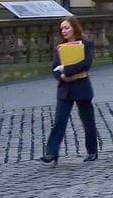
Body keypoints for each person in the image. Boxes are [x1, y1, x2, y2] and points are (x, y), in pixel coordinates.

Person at [39, 17, 99, 163]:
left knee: (87, 121)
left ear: (74, 28)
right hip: (65, 89)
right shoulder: (60, 47)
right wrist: (62, 76)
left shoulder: (86, 45)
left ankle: (92, 151)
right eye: (62, 29)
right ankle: (52, 153)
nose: (64, 31)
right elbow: (54, 68)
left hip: (81, 87)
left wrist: (67, 71)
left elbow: (86, 64)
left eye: (66, 28)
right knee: (60, 120)